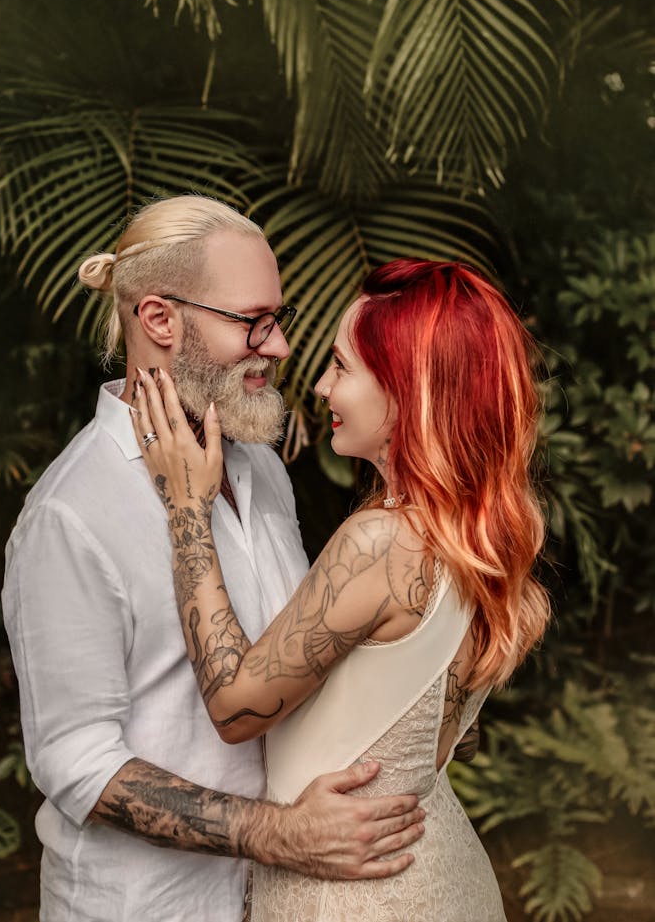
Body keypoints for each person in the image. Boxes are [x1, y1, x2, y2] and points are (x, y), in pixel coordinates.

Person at [1, 196, 428, 922]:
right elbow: (76, 762)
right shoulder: (69, 515)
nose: (282, 346)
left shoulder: (260, 466)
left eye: (280, 318)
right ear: (160, 319)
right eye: (253, 321)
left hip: (281, 902)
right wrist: (278, 834)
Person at [132, 257, 551, 921]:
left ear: (409, 389)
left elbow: (238, 706)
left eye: (342, 366)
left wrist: (188, 508)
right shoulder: (477, 536)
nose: (322, 386)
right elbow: (439, 738)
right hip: (443, 878)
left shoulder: (382, 542)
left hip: (361, 897)